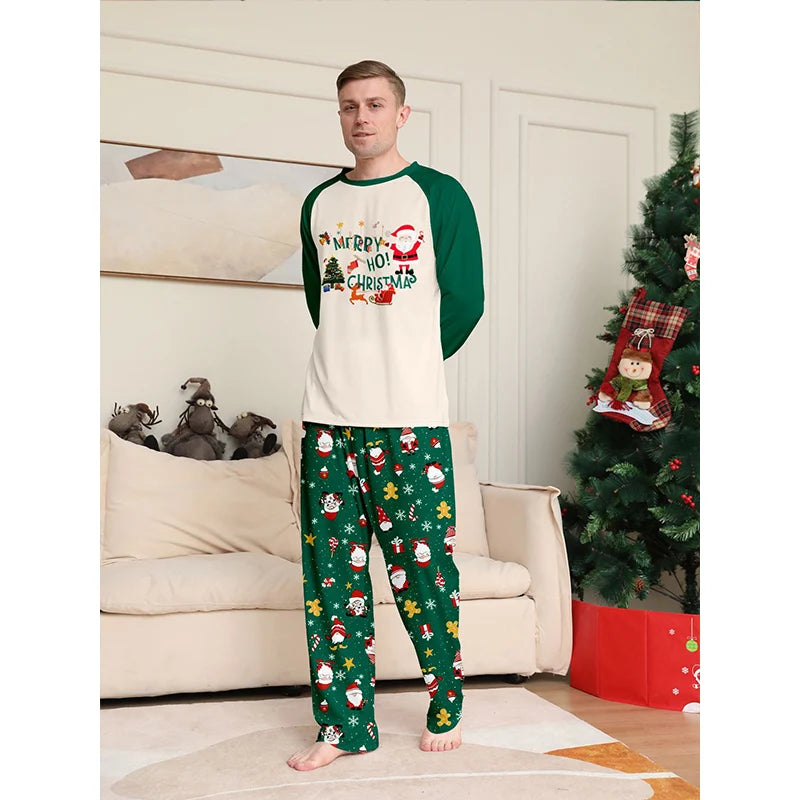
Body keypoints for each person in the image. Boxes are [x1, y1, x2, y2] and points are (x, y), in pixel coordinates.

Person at [286, 59, 484, 772]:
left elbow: (466, 301)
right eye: (349, 106)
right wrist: (357, 354)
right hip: (328, 421)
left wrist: (409, 358)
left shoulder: (440, 196)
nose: (360, 116)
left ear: (401, 114)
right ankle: (345, 727)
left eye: (374, 104)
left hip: (410, 422)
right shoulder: (319, 203)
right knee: (332, 586)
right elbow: (322, 301)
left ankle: (445, 701)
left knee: (424, 575)